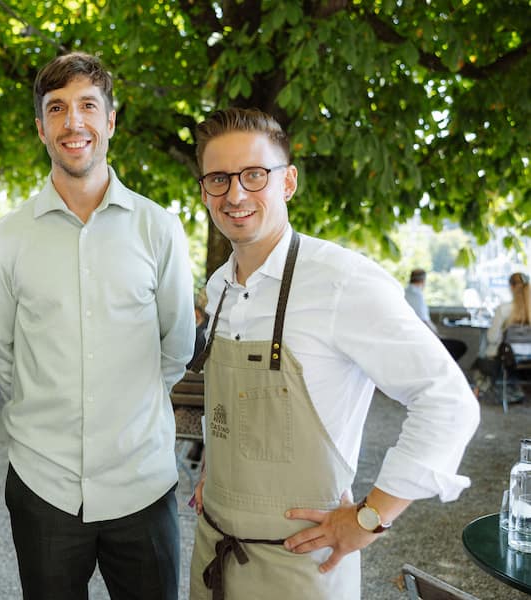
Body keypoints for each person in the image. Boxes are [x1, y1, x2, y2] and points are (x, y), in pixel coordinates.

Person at [188, 107, 479, 599]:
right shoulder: (218, 288)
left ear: (288, 182)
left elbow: (448, 401)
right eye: (219, 179)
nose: (235, 195)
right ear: (204, 191)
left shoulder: (341, 281)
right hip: (213, 553)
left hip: (302, 569)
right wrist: (217, 473)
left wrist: (371, 517)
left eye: (254, 174)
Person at [0, 52, 194, 600]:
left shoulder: (158, 228)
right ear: (41, 128)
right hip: (43, 483)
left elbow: (176, 347)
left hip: (142, 483)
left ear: (111, 120)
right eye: (57, 108)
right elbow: (1, 353)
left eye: (88, 106)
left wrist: (129, 415)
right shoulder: (6, 238)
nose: (73, 122)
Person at [474, 272, 531, 400]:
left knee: (481, 358)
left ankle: (480, 390)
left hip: (508, 358)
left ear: (511, 287)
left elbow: (492, 338)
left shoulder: (504, 309)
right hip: (529, 359)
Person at [404, 268, 437, 332]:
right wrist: (436, 333)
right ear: (422, 280)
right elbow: (424, 319)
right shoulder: (416, 295)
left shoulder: (404, 292)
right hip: (415, 331)